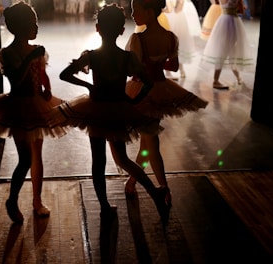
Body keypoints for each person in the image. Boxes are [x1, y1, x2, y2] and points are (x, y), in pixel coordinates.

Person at [58, 3, 170, 222]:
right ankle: (155, 192)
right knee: (124, 159)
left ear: (97, 28)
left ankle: (104, 207)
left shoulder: (92, 56)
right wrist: (133, 100)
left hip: (97, 110)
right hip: (118, 109)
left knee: (98, 162)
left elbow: (64, 74)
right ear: (121, 30)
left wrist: (89, 87)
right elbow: (147, 82)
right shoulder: (126, 58)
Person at [0, 1, 67, 223]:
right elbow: (16, 79)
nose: (36, 27)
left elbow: (41, 72)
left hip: (36, 104)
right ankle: (12, 199)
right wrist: (30, 58)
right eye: (32, 23)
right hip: (18, 107)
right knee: (25, 158)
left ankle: (37, 200)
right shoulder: (8, 53)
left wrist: (47, 88)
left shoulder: (36, 51)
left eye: (36, 22)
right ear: (19, 27)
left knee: (37, 154)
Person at [124, 0, 209, 207]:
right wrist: (158, 62)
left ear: (150, 12)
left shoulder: (138, 39)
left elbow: (131, 70)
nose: (133, 15)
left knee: (151, 142)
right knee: (147, 141)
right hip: (161, 89)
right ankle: (132, 181)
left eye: (137, 11)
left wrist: (145, 65)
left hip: (142, 91)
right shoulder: (171, 38)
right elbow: (174, 66)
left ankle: (163, 187)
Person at [201, 0, 254, 89]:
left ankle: (237, 78)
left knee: (226, 51)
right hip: (232, 23)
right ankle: (216, 80)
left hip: (223, 20)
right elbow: (241, 10)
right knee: (228, 52)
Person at [164, 0, 198, 79]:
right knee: (168, 44)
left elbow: (178, 9)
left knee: (179, 43)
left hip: (177, 18)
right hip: (168, 17)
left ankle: (180, 68)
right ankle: (168, 70)